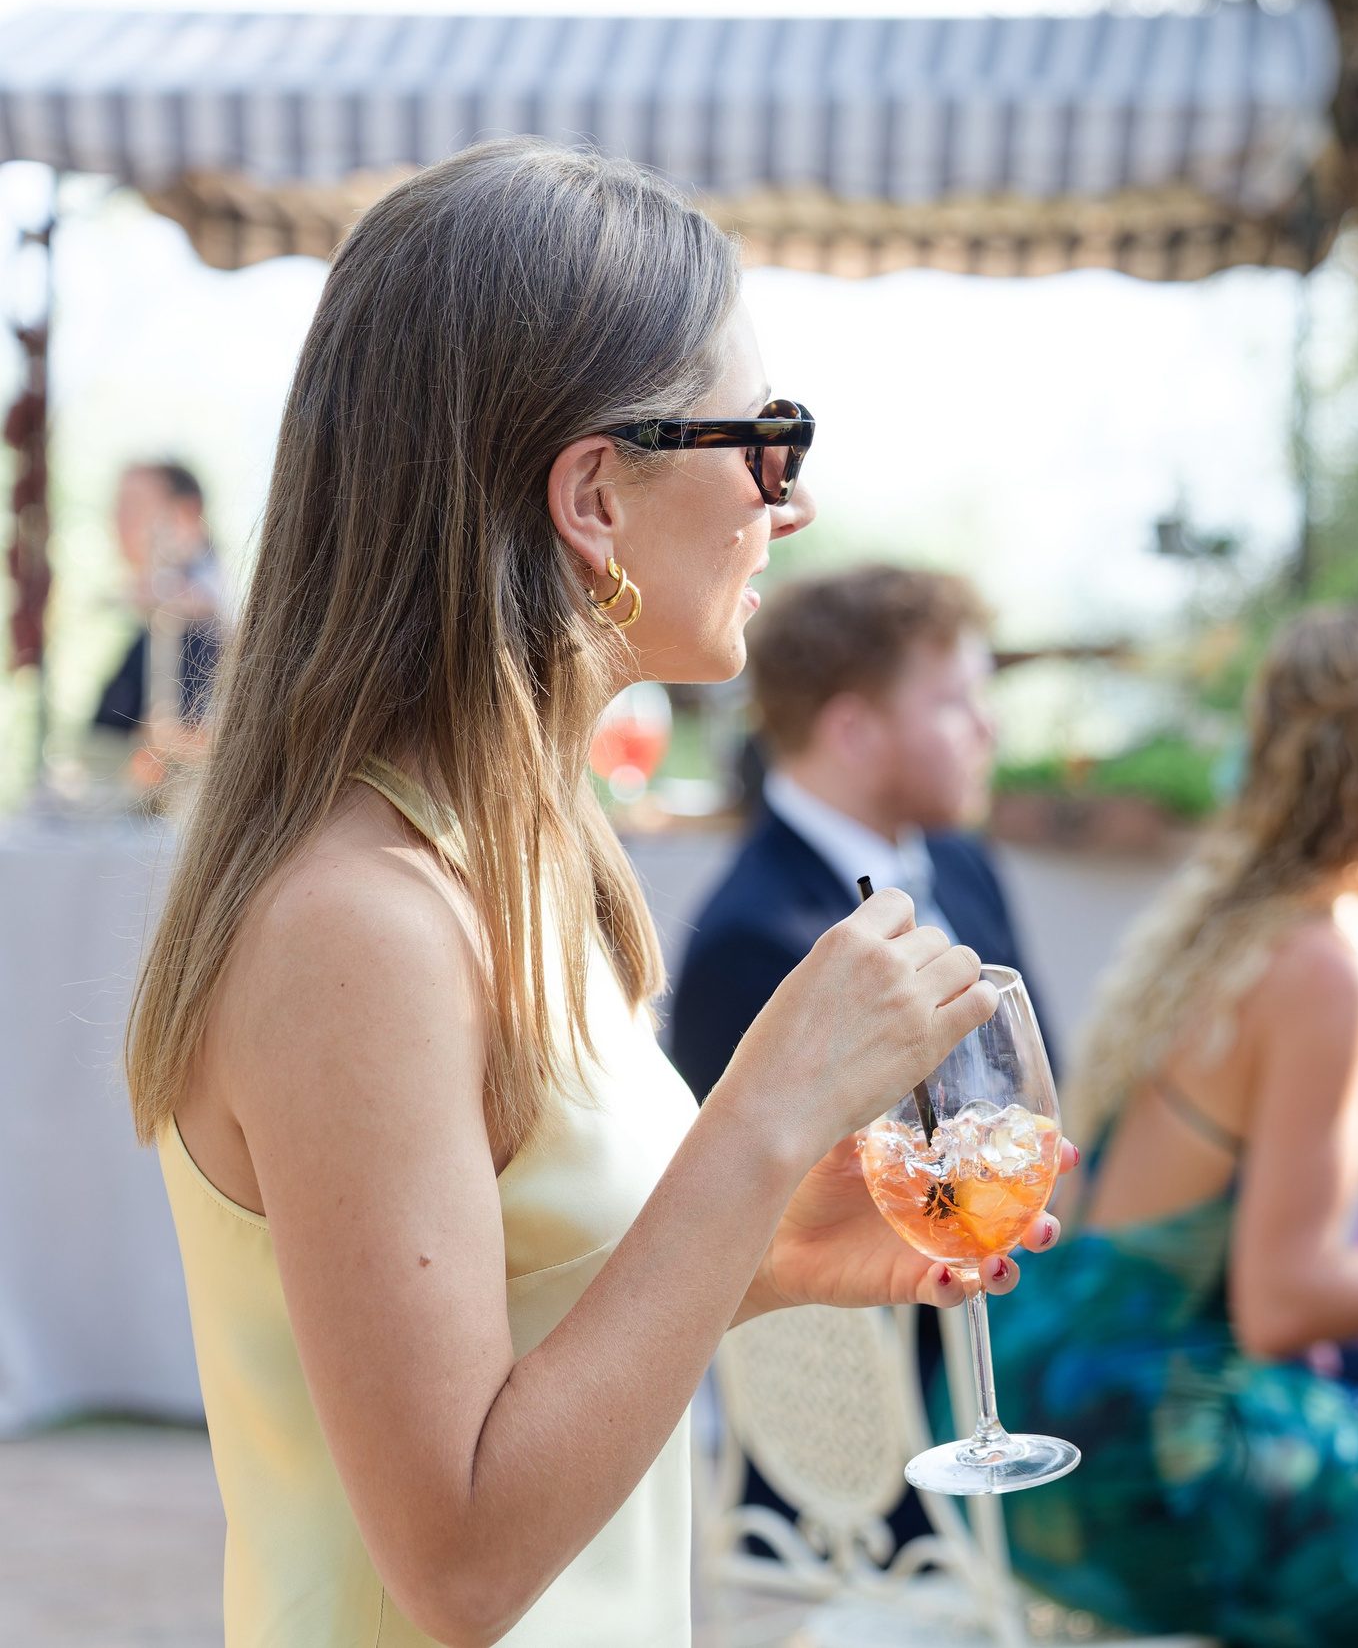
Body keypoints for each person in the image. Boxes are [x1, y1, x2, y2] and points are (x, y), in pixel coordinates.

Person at [123, 140, 1058, 1648]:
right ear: (595, 496)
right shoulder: (360, 923)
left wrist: (766, 1261)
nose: (790, 503)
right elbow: (459, 1562)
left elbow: (533, 1323)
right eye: (767, 441)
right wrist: (757, 1122)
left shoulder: (516, 863)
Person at [992, 606, 1358, 1648]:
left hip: (1034, 1394)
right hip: (1139, 1461)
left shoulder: (1230, 921)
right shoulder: (1331, 965)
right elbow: (1284, 1308)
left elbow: (1210, 1169)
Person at [670, 564, 1033, 1104]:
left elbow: (1036, 1081)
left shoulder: (963, 863)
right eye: (955, 701)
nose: (989, 726)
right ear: (853, 732)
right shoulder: (749, 946)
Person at [92, 461, 224, 734]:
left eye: (134, 506)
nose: (118, 522)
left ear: (186, 516)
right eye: (118, 507)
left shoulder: (205, 630)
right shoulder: (153, 623)